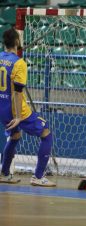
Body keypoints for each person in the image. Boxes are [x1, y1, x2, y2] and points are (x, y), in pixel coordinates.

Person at [0, 28, 55, 187]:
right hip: (15, 110)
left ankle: (4, 173)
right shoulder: (19, 62)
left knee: (15, 136)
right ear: (17, 42)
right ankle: (38, 177)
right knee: (46, 133)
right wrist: (18, 116)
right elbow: (17, 93)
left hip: (1, 108)